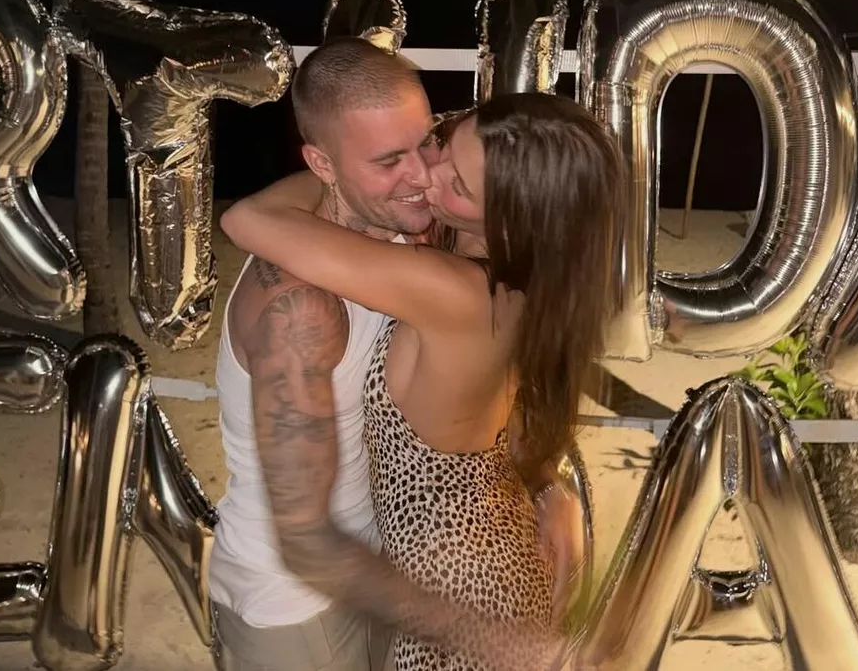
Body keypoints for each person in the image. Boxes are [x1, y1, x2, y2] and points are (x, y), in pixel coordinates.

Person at [209, 37, 583, 671]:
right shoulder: (298, 310)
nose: (423, 177)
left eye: (428, 143)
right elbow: (305, 544)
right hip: (298, 607)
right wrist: (495, 638)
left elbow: (478, 388)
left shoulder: (416, 232)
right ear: (321, 164)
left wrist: (545, 479)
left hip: (394, 571)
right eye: (389, 160)